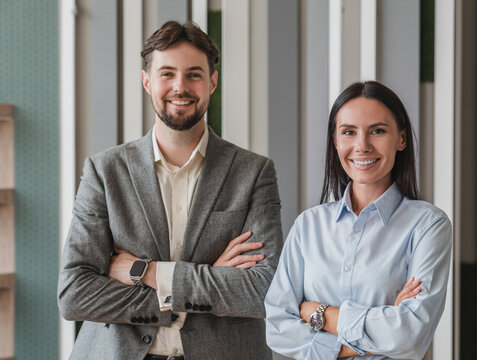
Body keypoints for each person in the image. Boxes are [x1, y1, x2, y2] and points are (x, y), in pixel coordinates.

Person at [58, 21, 282, 360]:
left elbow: (262, 290)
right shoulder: (105, 172)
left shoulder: (253, 173)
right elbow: (75, 293)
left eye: (194, 74)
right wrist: (189, 294)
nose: (180, 86)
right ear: (147, 81)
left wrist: (146, 272)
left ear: (213, 82)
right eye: (167, 74)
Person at [264, 81, 452, 359]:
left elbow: (410, 336)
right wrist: (379, 330)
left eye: (377, 131)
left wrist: (317, 313)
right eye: (349, 132)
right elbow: (277, 328)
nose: (362, 146)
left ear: (401, 139)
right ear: (335, 141)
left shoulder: (428, 226)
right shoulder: (308, 226)